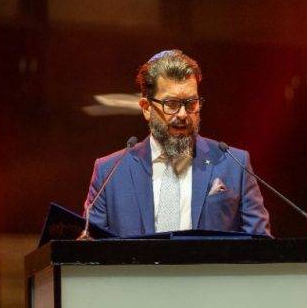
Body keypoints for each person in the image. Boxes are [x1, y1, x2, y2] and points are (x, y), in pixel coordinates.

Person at [84, 50, 271, 237]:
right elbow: (89, 248)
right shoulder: (110, 172)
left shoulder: (233, 165)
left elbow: (261, 244)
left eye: (191, 103)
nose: (182, 114)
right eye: (171, 104)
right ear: (147, 108)